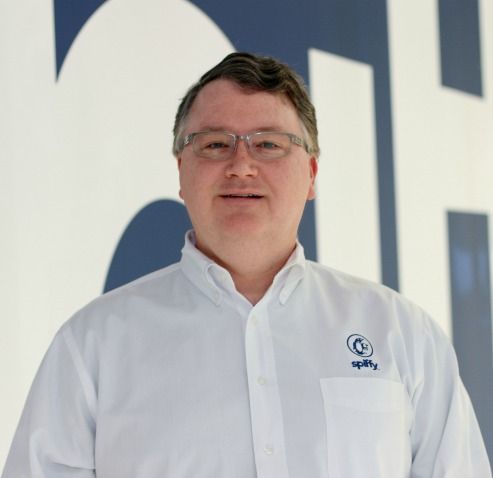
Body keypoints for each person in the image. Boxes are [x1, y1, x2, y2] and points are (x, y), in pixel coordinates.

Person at [2, 52, 491, 478]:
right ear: (181, 171)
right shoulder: (93, 346)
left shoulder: (403, 335)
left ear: (312, 174)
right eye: (215, 143)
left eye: (269, 144)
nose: (241, 165)